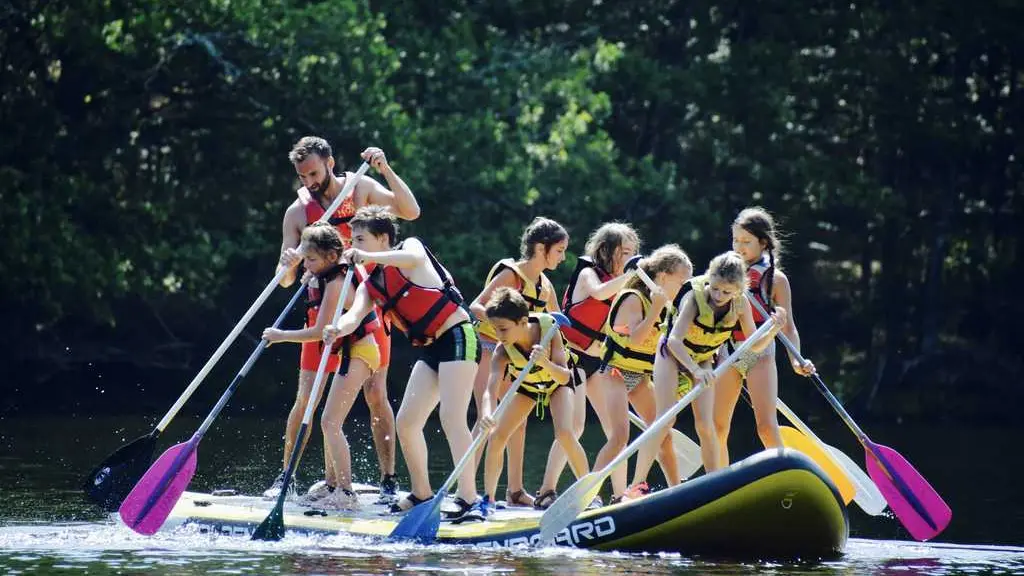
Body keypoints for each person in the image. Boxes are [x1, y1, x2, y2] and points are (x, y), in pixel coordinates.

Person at [266, 136, 419, 502]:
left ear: (330, 163)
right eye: (302, 176)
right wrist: (288, 264)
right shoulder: (297, 213)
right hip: (323, 314)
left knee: (376, 394)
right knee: (307, 398)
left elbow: (410, 211)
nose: (309, 182)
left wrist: (385, 168)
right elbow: (285, 281)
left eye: (314, 173)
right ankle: (286, 478)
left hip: (366, 310)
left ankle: (388, 479)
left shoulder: (360, 188)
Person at [324, 206, 490, 519]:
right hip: (432, 348)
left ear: (383, 238)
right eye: (352, 240)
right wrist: (337, 329)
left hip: (458, 335)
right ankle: (421, 493)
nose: (353, 246)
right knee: (407, 422)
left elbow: (411, 259)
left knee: (451, 417)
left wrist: (365, 255)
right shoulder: (372, 283)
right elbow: (355, 316)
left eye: (360, 239)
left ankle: (469, 498)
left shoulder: (410, 248)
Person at [631, 251, 787, 487]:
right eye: (715, 288)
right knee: (665, 420)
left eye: (726, 292)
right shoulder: (695, 298)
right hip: (672, 355)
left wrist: (773, 329)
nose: (718, 296)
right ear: (709, 279)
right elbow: (674, 340)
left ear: (738, 290)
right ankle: (637, 484)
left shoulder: (740, 303)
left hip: (703, 359)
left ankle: (714, 484)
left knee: (706, 425)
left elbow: (752, 346)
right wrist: (695, 370)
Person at [262, 222, 382, 509]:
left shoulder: (337, 283)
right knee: (330, 421)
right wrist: (311, 275)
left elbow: (319, 331)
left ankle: (346, 493)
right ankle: (332, 485)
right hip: (351, 352)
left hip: (361, 352)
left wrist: (281, 336)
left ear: (331, 256)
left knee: (329, 422)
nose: (307, 265)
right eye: (306, 259)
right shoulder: (327, 275)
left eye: (312, 260)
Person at [534, 222, 641, 509]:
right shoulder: (588, 274)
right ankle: (546, 491)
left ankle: (619, 495)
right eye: (624, 252)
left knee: (616, 433)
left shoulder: (626, 285)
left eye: (632, 253)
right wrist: (632, 276)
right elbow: (600, 293)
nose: (630, 258)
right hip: (573, 358)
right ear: (606, 251)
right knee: (576, 426)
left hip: (600, 361)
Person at [468, 217, 568, 507]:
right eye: (559, 250)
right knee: (488, 419)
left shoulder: (545, 285)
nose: (562, 257)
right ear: (541, 248)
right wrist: (505, 327)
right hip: (493, 349)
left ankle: (514, 491)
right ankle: (466, 491)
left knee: (517, 424)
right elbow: (476, 305)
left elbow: (556, 323)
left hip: (520, 358)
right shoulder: (512, 274)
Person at [588, 245, 692, 504]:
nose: (684, 288)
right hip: (615, 372)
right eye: (681, 282)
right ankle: (588, 494)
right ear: (663, 277)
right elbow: (635, 339)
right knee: (619, 437)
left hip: (640, 376)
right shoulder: (634, 298)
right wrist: (656, 308)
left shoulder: (668, 307)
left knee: (663, 432)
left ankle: (677, 492)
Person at [713, 207, 815, 466]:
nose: (739, 247)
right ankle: (718, 480)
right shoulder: (723, 275)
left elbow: (789, 327)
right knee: (716, 427)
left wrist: (796, 360)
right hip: (729, 350)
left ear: (764, 243)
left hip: (760, 353)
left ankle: (786, 473)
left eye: (746, 241)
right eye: (735, 240)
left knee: (767, 427)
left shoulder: (776, 280)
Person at [477, 288, 589, 516]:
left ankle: (588, 492)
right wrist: (488, 413)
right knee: (496, 436)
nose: (499, 335)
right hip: (529, 388)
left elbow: (564, 376)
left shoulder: (549, 330)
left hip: (557, 384)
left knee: (565, 433)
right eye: (495, 329)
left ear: (523, 322)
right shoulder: (502, 351)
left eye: (503, 329)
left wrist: (545, 363)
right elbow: (490, 389)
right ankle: (488, 500)